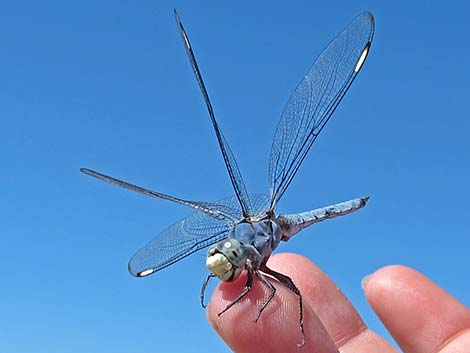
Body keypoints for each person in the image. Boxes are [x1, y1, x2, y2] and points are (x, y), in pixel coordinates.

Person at [207, 253, 470, 352]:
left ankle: (300, 328)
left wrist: (262, 306)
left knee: (292, 291)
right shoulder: (244, 256)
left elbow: (265, 289)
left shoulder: (252, 256)